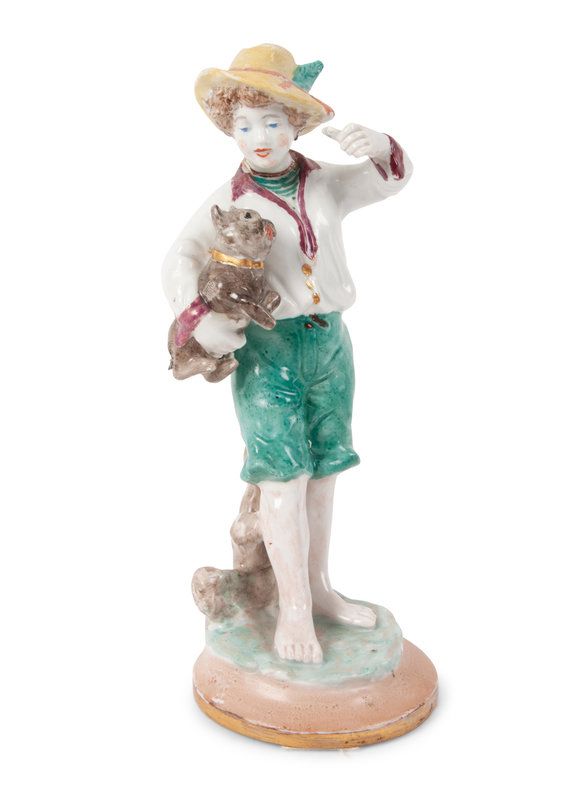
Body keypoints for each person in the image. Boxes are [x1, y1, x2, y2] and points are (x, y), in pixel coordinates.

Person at [163, 44, 413, 664]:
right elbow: (180, 258)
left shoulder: (324, 182)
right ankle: (293, 610)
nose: (259, 138)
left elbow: (387, 180)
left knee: (325, 471)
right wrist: (197, 319)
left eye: (272, 122)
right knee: (283, 477)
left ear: (295, 124)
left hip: (330, 341)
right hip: (268, 347)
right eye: (245, 125)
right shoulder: (229, 200)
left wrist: (382, 147)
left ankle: (319, 589)